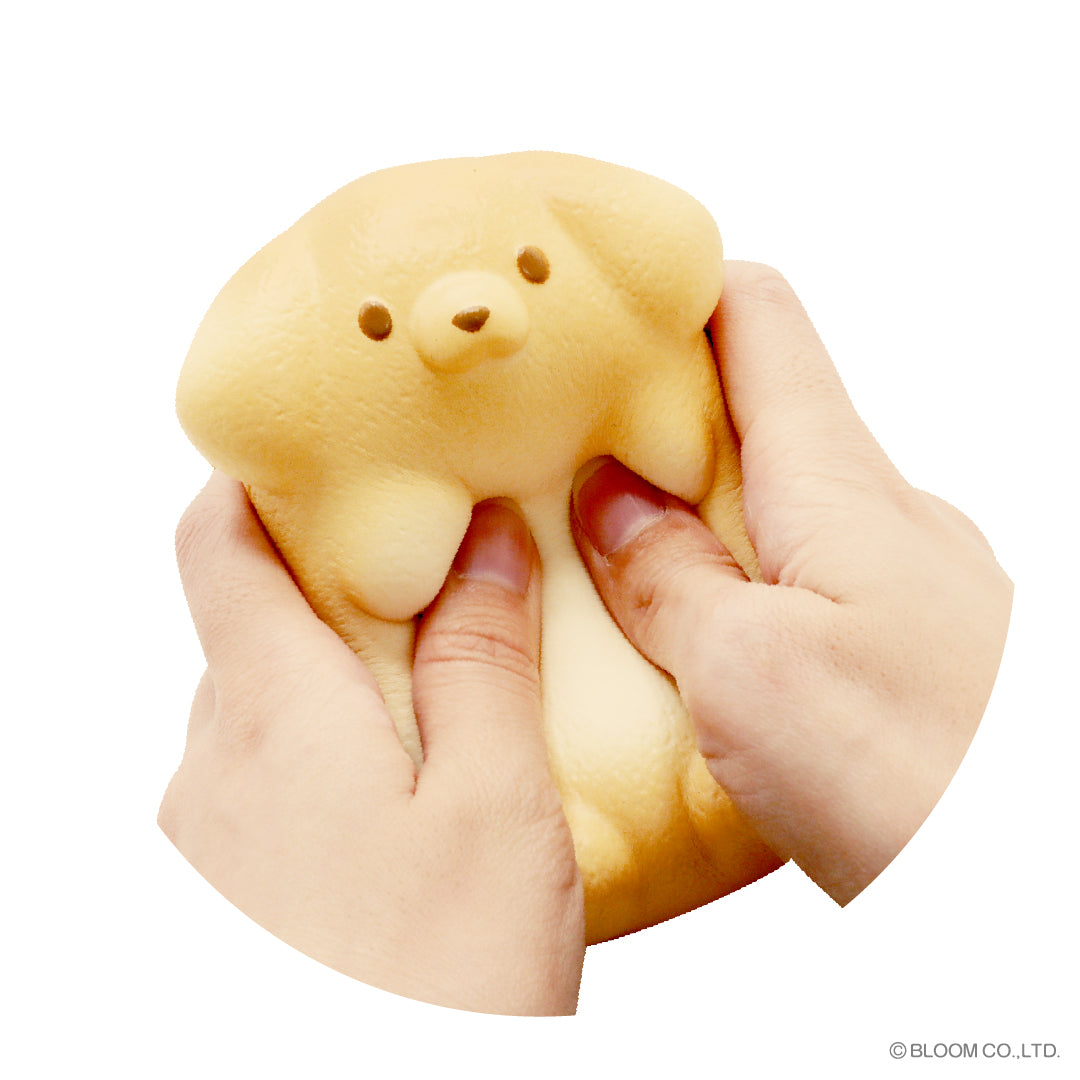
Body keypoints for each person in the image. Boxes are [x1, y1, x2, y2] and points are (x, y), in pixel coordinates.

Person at [158, 262, 1012, 1016]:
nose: (472, 311)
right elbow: (387, 567)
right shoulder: (366, 487)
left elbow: (678, 440)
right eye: (375, 324)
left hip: (718, 777)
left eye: (530, 267)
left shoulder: (641, 382)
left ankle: (699, 792)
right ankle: (592, 835)